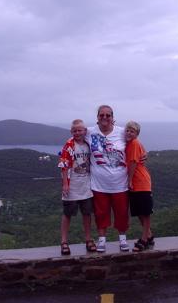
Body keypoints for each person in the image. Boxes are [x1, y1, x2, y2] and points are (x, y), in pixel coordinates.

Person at [87, 105, 130, 252]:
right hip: (99, 184)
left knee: (122, 212)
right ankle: (102, 240)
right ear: (97, 117)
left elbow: (135, 143)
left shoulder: (122, 132)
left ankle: (122, 239)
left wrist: (143, 154)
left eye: (108, 115)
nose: (104, 117)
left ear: (112, 117)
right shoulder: (89, 132)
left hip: (120, 183)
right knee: (100, 213)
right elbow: (75, 137)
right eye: (102, 115)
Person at [58, 119, 96, 255]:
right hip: (72, 186)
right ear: (71, 132)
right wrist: (65, 184)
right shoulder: (69, 145)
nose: (77, 133)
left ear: (85, 131)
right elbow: (64, 165)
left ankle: (88, 239)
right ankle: (64, 242)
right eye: (75, 131)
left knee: (87, 214)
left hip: (86, 186)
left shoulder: (89, 144)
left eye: (80, 130)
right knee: (67, 214)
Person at [125, 121, 154, 252]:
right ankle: (149, 235)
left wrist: (129, 180)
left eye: (132, 131)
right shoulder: (130, 143)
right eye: (128, 130)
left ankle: (144, 239)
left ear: (137, 134)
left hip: (140, 182)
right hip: (136, 183)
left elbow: (133, 163)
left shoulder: (134, 143)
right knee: (139, 212)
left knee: (145, 212)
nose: (129, 133)